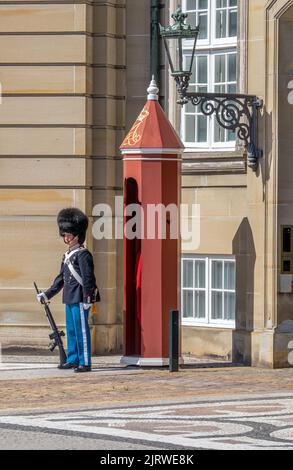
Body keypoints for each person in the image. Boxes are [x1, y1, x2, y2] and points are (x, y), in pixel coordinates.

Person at [36, 208, 99, 372]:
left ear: (77, 235)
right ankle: (73, 359)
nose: (66, 238)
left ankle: (85, 362)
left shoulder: (83, 255)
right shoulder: (67, 256)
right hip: (69, 298)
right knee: (71, 331)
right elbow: (60, 279)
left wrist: (88, 299)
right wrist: (47, 293)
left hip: (80, 298)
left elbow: (88, 279)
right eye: (64, 235)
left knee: (82, 332)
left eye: (68, 235)